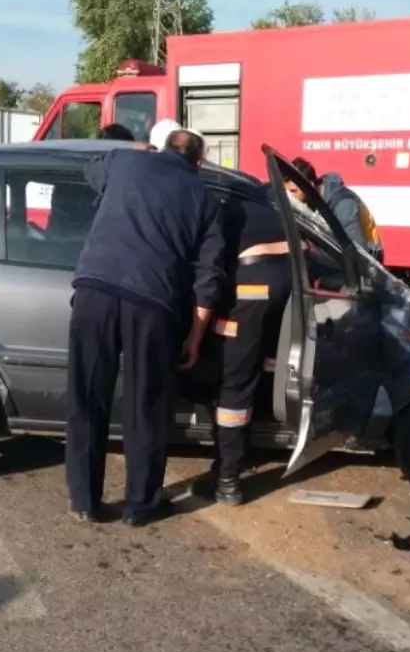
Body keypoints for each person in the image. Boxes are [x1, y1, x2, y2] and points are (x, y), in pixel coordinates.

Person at [65, 125, 226, 527]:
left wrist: (133, 150)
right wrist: (195, 334)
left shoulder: (124, 162)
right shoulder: (204, 199)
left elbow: (91, 170)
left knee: (87, 397)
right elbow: (210, 276)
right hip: (152, 304)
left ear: (160, 147)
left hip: (94, 292)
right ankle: (141, 505)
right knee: (146, 405)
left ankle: (84, 500)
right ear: (199, 163)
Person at [196, 186, 294, 506]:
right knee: (249, 371)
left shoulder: (223, 208)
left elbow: (209, 268)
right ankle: (237, 455)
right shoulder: (270, 207)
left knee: (232, 385)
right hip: (285, 288)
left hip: (249, 292)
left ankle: (227, 479)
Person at [287, 156, 384, 262]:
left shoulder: (343, 205)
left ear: (309, 185)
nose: (290, 197)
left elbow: (358, 252)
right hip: (340, 250)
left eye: (293, 191)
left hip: (369, 257)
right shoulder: (313, 200)